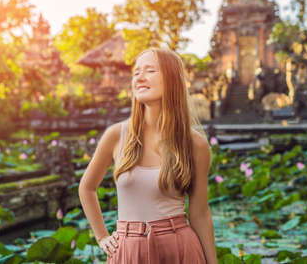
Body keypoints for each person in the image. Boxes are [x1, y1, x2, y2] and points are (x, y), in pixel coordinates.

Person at [78, 48, 217, 263]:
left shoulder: (195, 143)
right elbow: (87, 188)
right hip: (127, 250)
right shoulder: (116, 135)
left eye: (150, 70)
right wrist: (102, 237)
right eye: (136, 72)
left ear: (172, 80)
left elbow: (200, 214)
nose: (140, 77)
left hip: (179, 248)